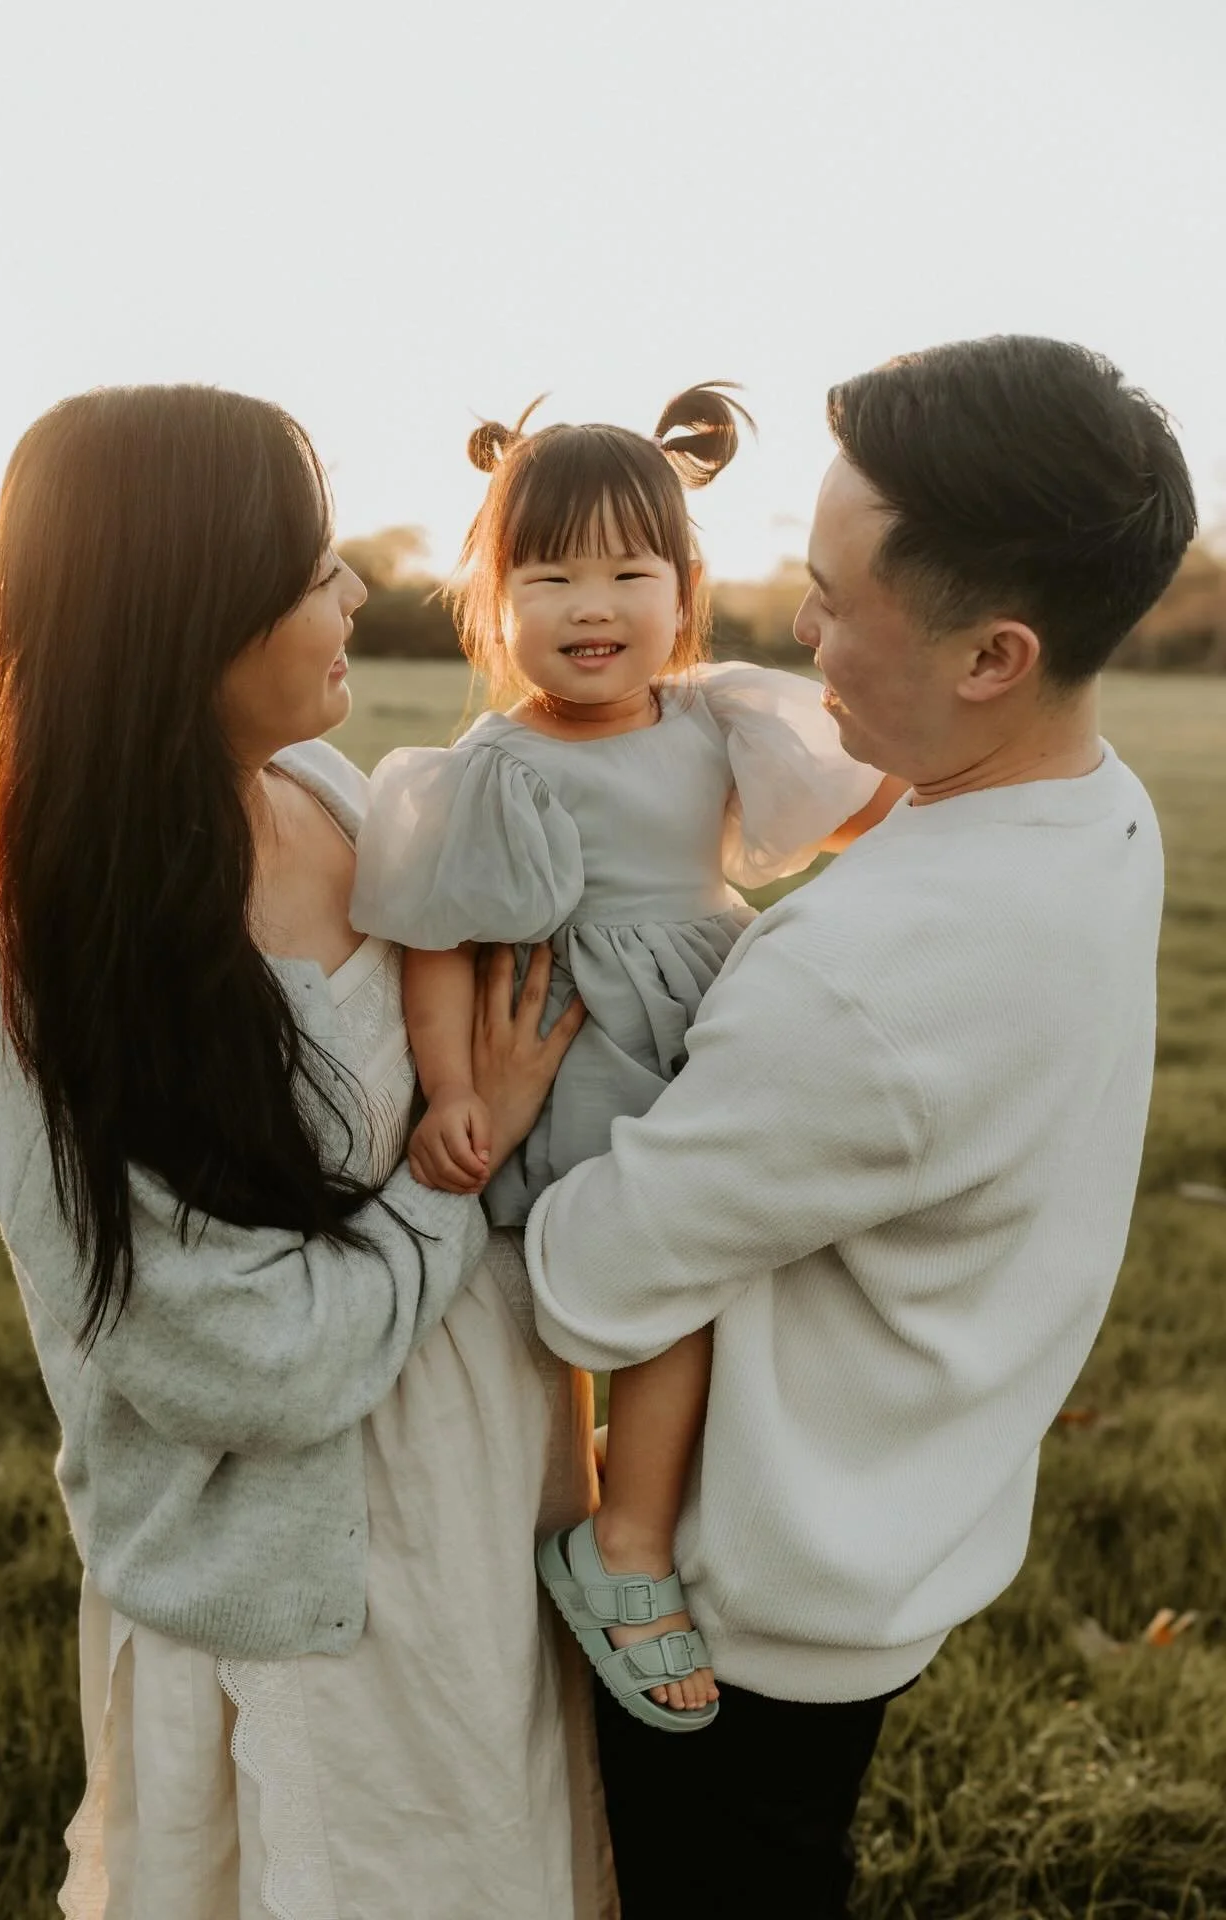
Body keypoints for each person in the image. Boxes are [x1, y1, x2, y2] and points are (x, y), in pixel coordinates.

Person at [523, 335, 1197, 1915]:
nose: (796, 624)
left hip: (745, 1610)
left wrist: (511, 1090)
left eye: (835, 596)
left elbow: (588, 1283)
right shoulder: (1093, 805)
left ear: (992, 657)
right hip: (905, 1510)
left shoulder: (863, 983)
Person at [0, 383, 617, 1919]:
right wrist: (465, 1167)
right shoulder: (76, 963)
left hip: (471, 1500)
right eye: (309, 565)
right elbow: (248, 1363)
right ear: (187, 607)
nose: (353, 591)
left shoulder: (333, 793)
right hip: (300, 1590)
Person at [349, 384, 898, 1727]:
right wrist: (460, 1088)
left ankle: (648, 1508)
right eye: (549, 576)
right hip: (577, 1043)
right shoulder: (489, 760)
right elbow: (439, 937)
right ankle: (621, 1542)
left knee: (706, 1283)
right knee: (655, 1288)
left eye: (626, 572)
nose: (591, 606)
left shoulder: (718, 719)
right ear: (493, 598)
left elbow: (850, 811)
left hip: (713, 1024)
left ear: (683, 587)